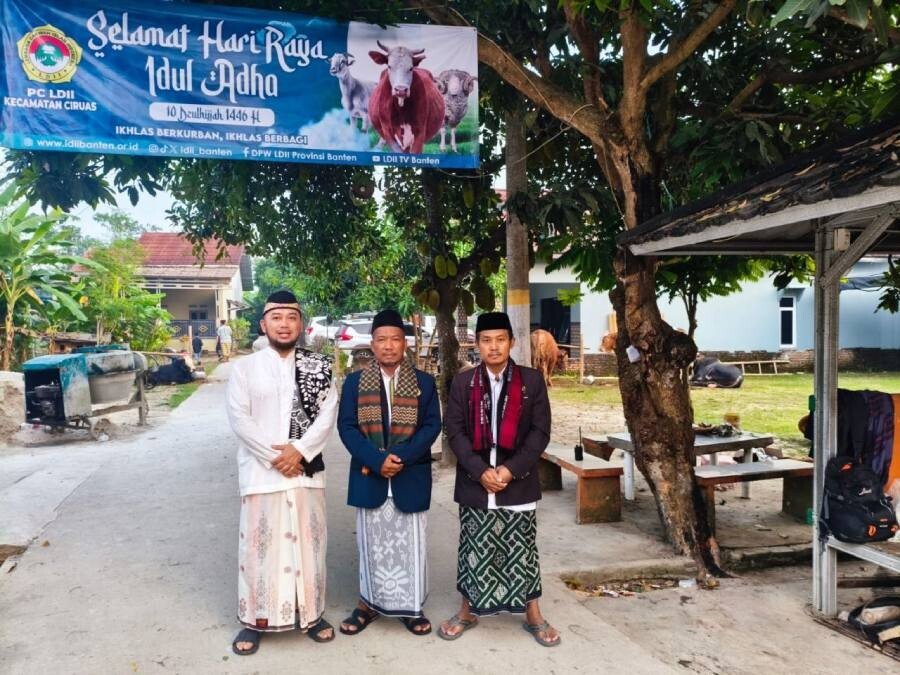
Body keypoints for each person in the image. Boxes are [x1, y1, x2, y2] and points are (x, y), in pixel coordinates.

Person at [439, 311, 561, 647]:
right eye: (486, 340)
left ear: (512, 342)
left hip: (517, 480)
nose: (493, 347)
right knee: (473, 548)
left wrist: (509, 470)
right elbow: (455, 431)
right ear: (477, 344)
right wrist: (480, 471)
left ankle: (532, 612)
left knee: (522, 548)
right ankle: (467, 610)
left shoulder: (531, 381)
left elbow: (540, 432)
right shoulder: (463, 383)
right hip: (474, 480)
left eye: (500, 339)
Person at [226, 290, 338, 655]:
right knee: (258, 550)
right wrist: (275, 457)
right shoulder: (244, 368)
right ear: (264, 324)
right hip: (261, 475)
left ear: (301, 324)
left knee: (309, 546)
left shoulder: (319, 366)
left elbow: (327, 415)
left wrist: (300, 452)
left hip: (306, 473)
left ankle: (312, 614)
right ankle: (253, 620)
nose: (285, 324)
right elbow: (239, 418)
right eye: (277, 317)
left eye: (292, 317)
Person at [337, 309, 441, 637]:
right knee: (372, 546)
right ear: (372, 344)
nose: (388, 346)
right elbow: (347, 427)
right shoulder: (355, 383)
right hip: (370, 475)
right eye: (382, 339)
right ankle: (367, 604)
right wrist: (376, 458)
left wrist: (401, 457)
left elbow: (431, 426)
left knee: (412, 545)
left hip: (410, 476)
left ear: (405, 344)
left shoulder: (424, 383)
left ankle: (411, 607)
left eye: (395, 339)